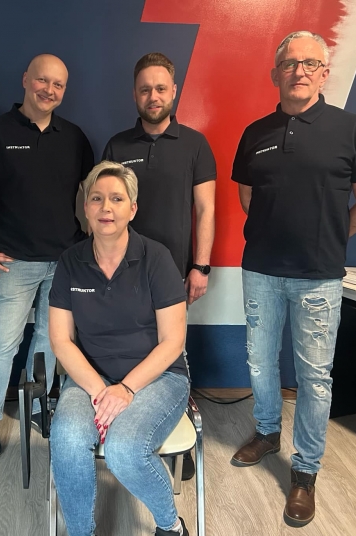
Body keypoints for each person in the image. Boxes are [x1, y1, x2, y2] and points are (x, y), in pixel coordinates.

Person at [230, 31, 356, 527]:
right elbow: (248, 197)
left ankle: (304, 470)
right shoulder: (255, 132)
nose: (299, 71)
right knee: (260, 363)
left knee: (314, 378)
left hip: (318, 278)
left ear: (324, 73)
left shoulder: (352, 129)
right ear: (275, 73)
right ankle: (267, 432)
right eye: (290, 63)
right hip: (260, 271)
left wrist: (330, 240)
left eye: (310, 63)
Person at [49, 161, 190, 536]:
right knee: (67, 437)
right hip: (91, 378)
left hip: (157, 377)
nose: (105, 207)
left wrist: (126, 389)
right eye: (96, 198)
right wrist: (101, 390)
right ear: (85, 208)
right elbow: (61, 341)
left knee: (126, 449)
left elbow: (173, 342)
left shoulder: (156, 258)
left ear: (132, 208)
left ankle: (171, 530)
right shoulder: (70, 262)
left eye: (116, 199)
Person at [0, 54, 94, 457]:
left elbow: (91, 195)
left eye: (58, 85)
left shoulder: (74, 137)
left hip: (65, 261)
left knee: (51, 341)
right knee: (2, 343)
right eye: (42, 80)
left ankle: (36, 407)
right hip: (13, 263)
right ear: (25, 80)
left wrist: (90, 245)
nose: (49, 90)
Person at [103, 52, 216, 481]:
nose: (154, 96)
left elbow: (205, 210)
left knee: (173, 357)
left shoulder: (195, 145)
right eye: (145, 89)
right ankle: (126, 430)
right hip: (121, 274)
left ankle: (177, 436)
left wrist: (200, 267)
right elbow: (104, 207)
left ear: (174, 91)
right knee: (129, 352)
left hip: (173, 276)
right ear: (135, 94)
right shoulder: (117, 146)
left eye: (161, 88)